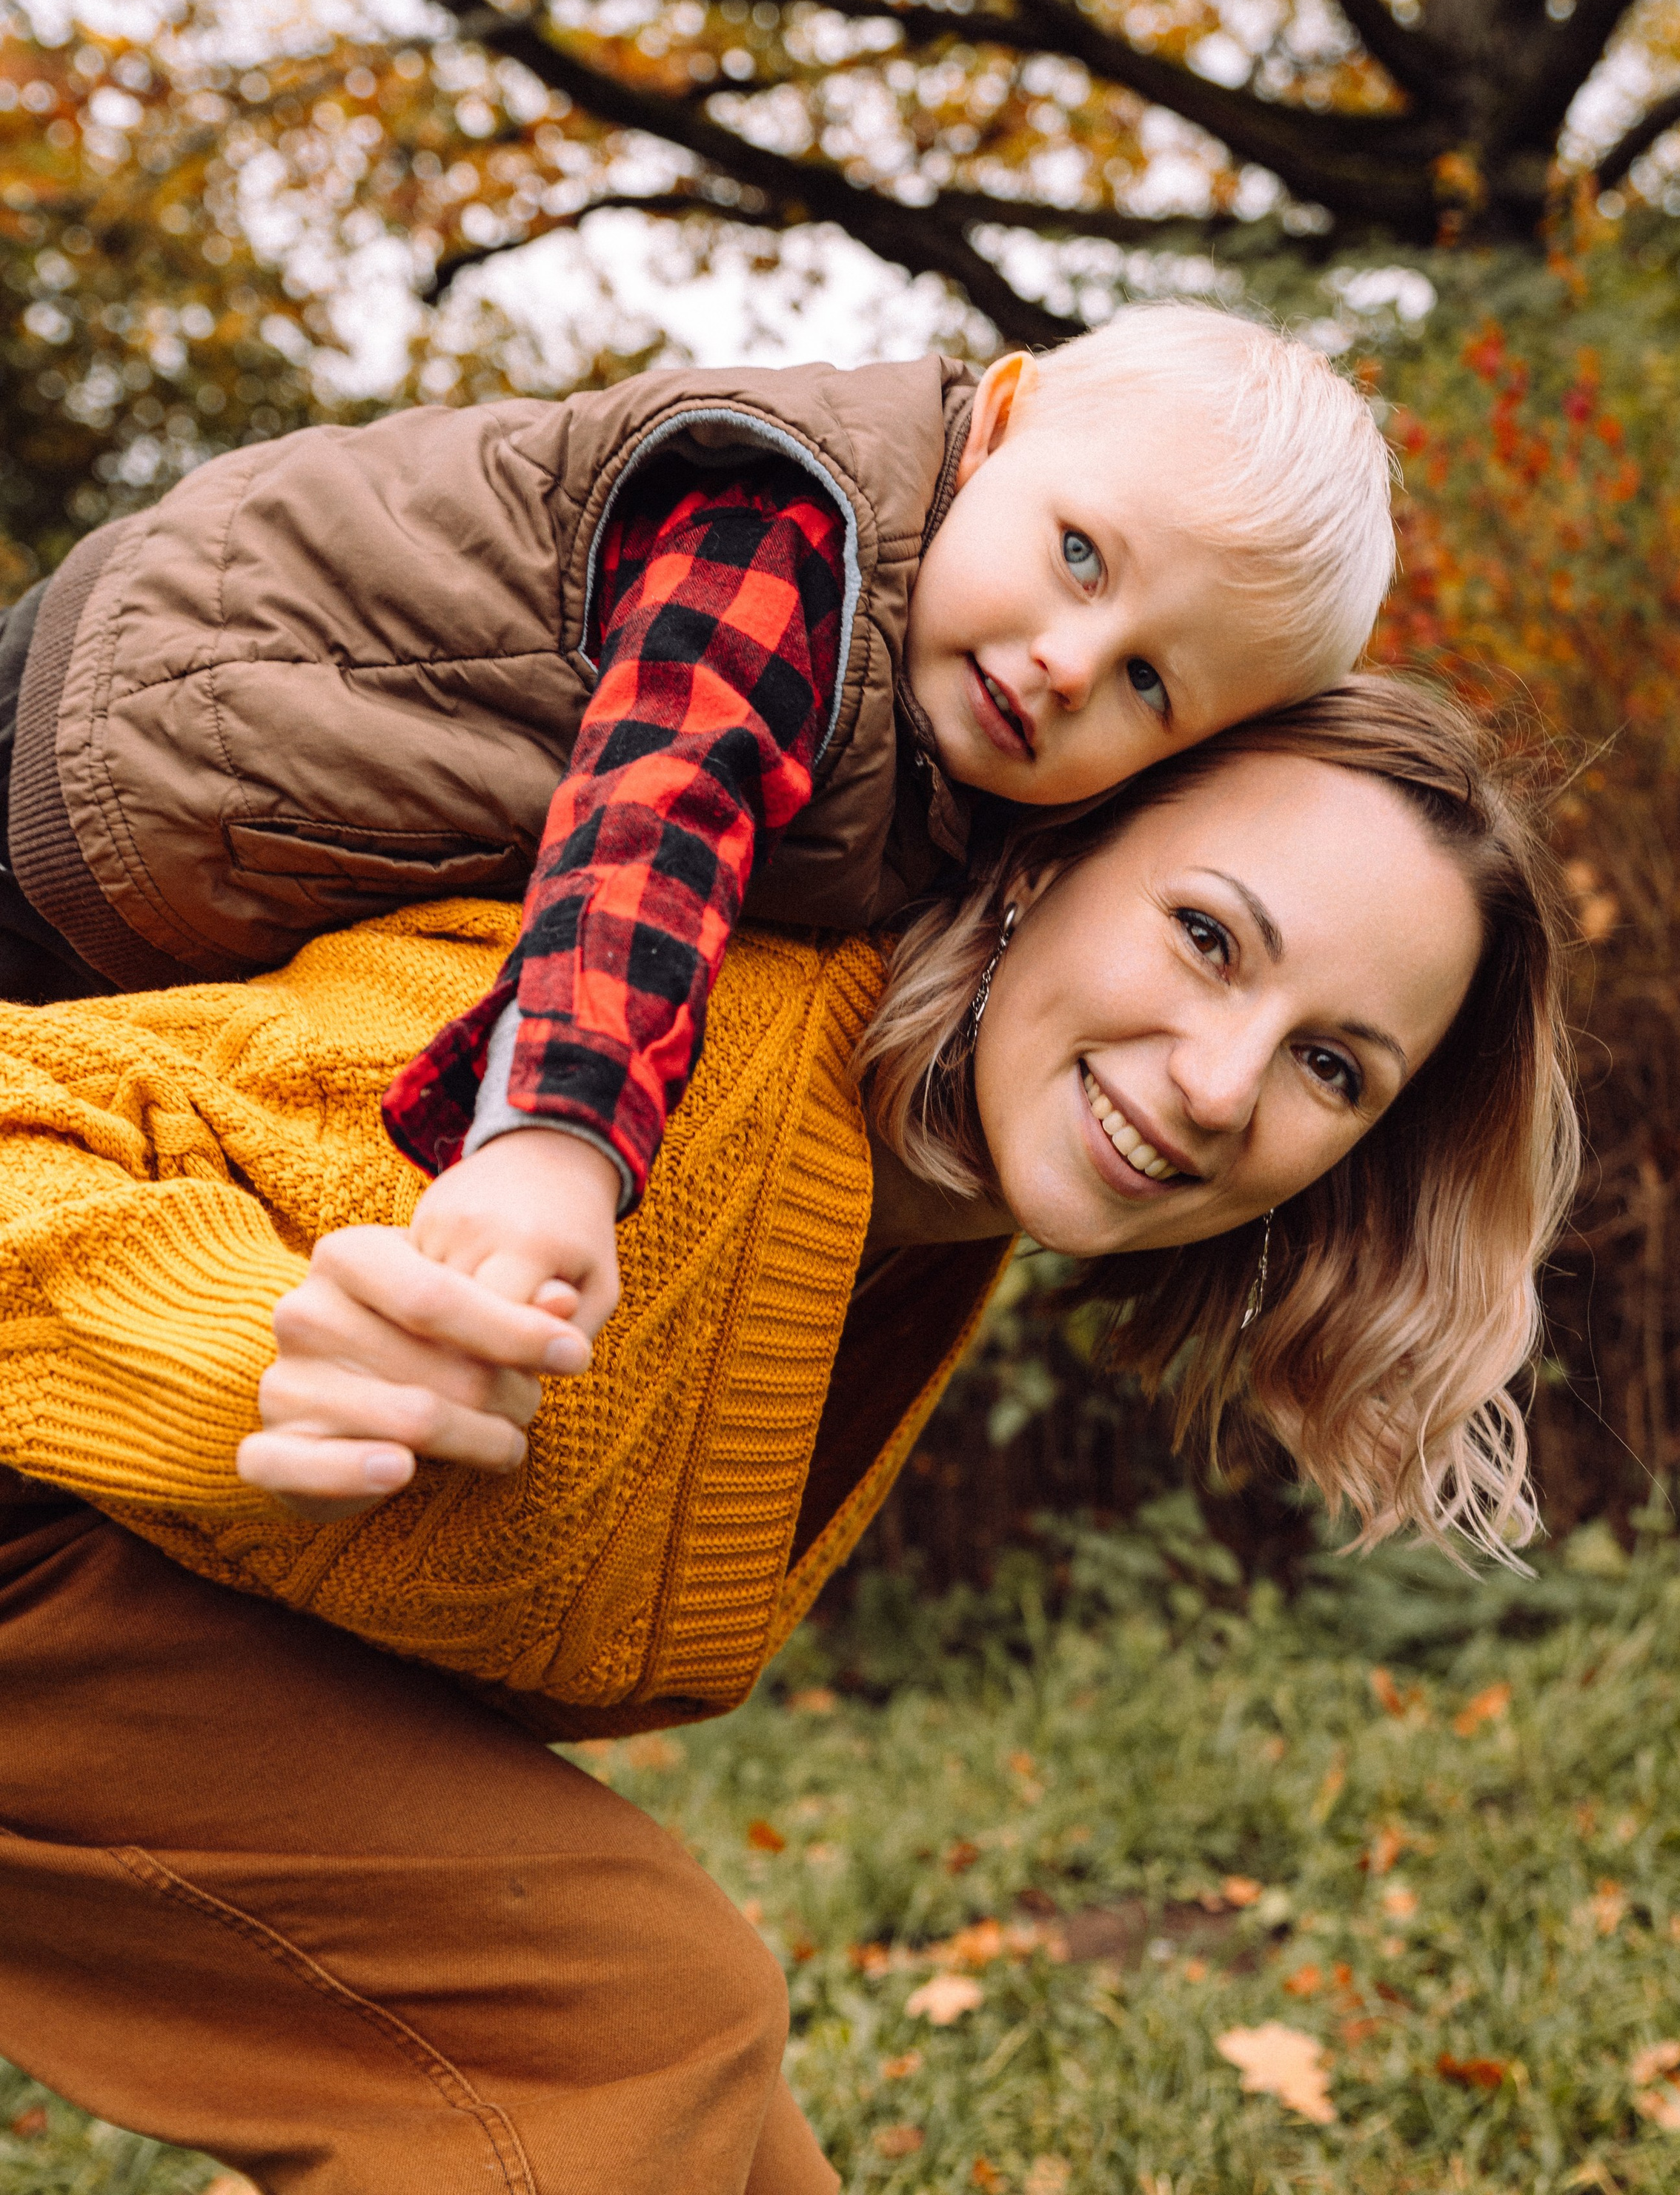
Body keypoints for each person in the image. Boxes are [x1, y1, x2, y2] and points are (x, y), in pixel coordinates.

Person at [0, 677, 1575, 2195]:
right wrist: (226, 1346)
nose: (1225, 1085)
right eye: (1206, 935)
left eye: (1327, 1064)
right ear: (1041, 863)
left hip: (120, 1607)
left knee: (727, 2143)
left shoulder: (911, 1230)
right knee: (625, 2016)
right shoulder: (622, 1060)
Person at [0, 303, 1395, 1362]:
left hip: (176, 862)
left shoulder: (962, 734)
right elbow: (659, 810)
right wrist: (557, 1139)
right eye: (1081, 555)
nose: (1070, 664)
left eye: (1152, 682)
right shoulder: (793, 531)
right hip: (89, 755)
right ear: (1000, 427)